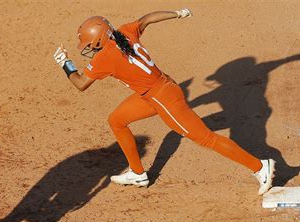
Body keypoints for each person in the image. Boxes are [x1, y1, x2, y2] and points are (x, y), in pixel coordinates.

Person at [52, 9, 275, 195]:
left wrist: (65, 64)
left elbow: (80, 83)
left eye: (90, 44)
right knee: (117, 121)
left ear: (99, 39)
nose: (90, 49)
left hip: (162, 98)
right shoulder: (124, 32)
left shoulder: (105, 58)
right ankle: (138, 174)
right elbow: (147, 19)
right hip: (157, 90)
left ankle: (259, 167)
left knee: (206, 138)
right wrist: (177, 13)